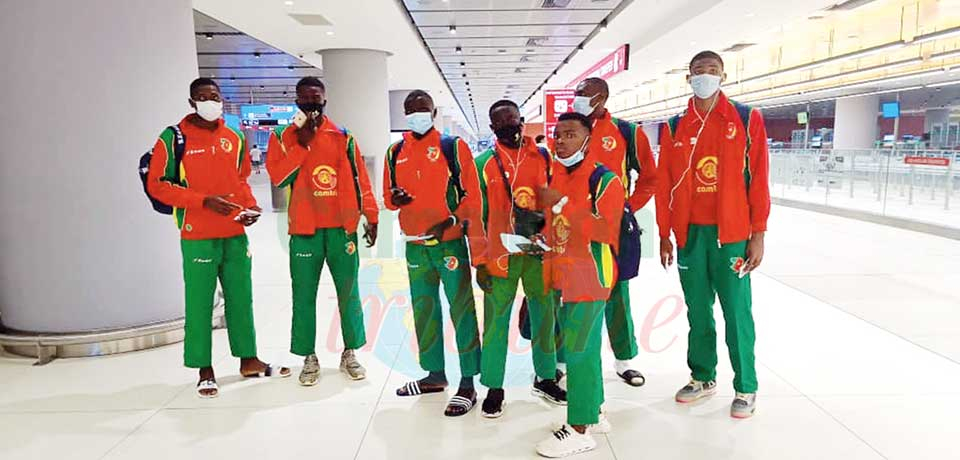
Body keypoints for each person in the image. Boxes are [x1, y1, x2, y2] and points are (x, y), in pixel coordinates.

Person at [146, 77, 290, 399]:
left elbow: (240, 181)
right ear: (191, 102)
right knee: (199, 303)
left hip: (234, 233)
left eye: (214, 96)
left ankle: (248, 359)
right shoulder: (173, 139)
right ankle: (204, 368)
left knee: (242, 298)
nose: (210, 101)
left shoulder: (234, 136)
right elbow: (158, 185)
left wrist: (250, 207)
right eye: (202, 97)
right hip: (197, 234)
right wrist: (202, 201)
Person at [656, 50, 770, 418]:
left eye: (712, 71)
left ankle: (746, 385)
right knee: (697, 311)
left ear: (724, 76)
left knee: (737, 311)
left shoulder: (745, 118)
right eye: (698, 71)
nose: (705, 76)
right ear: (687, 78)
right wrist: (663, 233)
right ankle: (703, 377)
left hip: (732, 235)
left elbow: (759, 179)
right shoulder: (674, 126)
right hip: (691, 236)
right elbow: (664, 185)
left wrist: (758, 233)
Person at [266, 76, 379, 385]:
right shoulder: (282, 137)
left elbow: (360, 181)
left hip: (342, 230)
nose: (311, 106)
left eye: (316, 101)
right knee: (303, 294)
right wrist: (302, 143)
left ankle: (350, 353)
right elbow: (278, 176)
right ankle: (308, 356)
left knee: (349, 293)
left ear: (325, 102)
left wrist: (371, 215)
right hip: (305, 230)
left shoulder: (342, 136)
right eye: (305, 101)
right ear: (296, 102)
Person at [383, 89, 484, 417]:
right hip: (414, 243)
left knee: (461, 309)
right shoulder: (394, 151)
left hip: (449, 243)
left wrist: (452, 220)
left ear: (433, 111)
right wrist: (395, 199)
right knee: (424, 309)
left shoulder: (452, 147)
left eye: (422, 109)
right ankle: (434, 374)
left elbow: (472, 195)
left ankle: (468, 380)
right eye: (410, 110)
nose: (416, 114)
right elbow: (387, 197)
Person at [536, 112, 624, 457]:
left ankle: (578, 428)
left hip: (590, 273)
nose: (560, 140)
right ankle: (596, 409)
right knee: (583, 348)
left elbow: (604, 230)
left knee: (579, 349)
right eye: (557, 135)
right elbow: (559, 226)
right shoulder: (558, 174)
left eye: (570, 134)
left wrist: (561, 203)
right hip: (564, 272)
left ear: (588, 140)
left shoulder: (604, 180)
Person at [474, 100, 566, 418]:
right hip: (500, 256)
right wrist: (479, 260)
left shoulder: (542, 157)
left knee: (544, 316)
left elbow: (558, 199)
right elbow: (475, 215)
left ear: (522, 120)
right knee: (496, 322)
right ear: (492, 129)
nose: (508, 125)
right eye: (500, 122)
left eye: (512, 119)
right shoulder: (483, 163)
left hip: (538, 251)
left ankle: (545, 377)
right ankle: (494, 387)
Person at [571, 76, 657, 386]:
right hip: (573, 224)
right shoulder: (570, 128)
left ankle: (624, 359)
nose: (579, 99)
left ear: (602, 98)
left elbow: (650, 176)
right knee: (572, 290)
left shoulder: (625, 132)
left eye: (585, 95)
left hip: (614, 227)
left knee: (617, 291)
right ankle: (566, 360)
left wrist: (628, 206)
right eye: (577, 94)